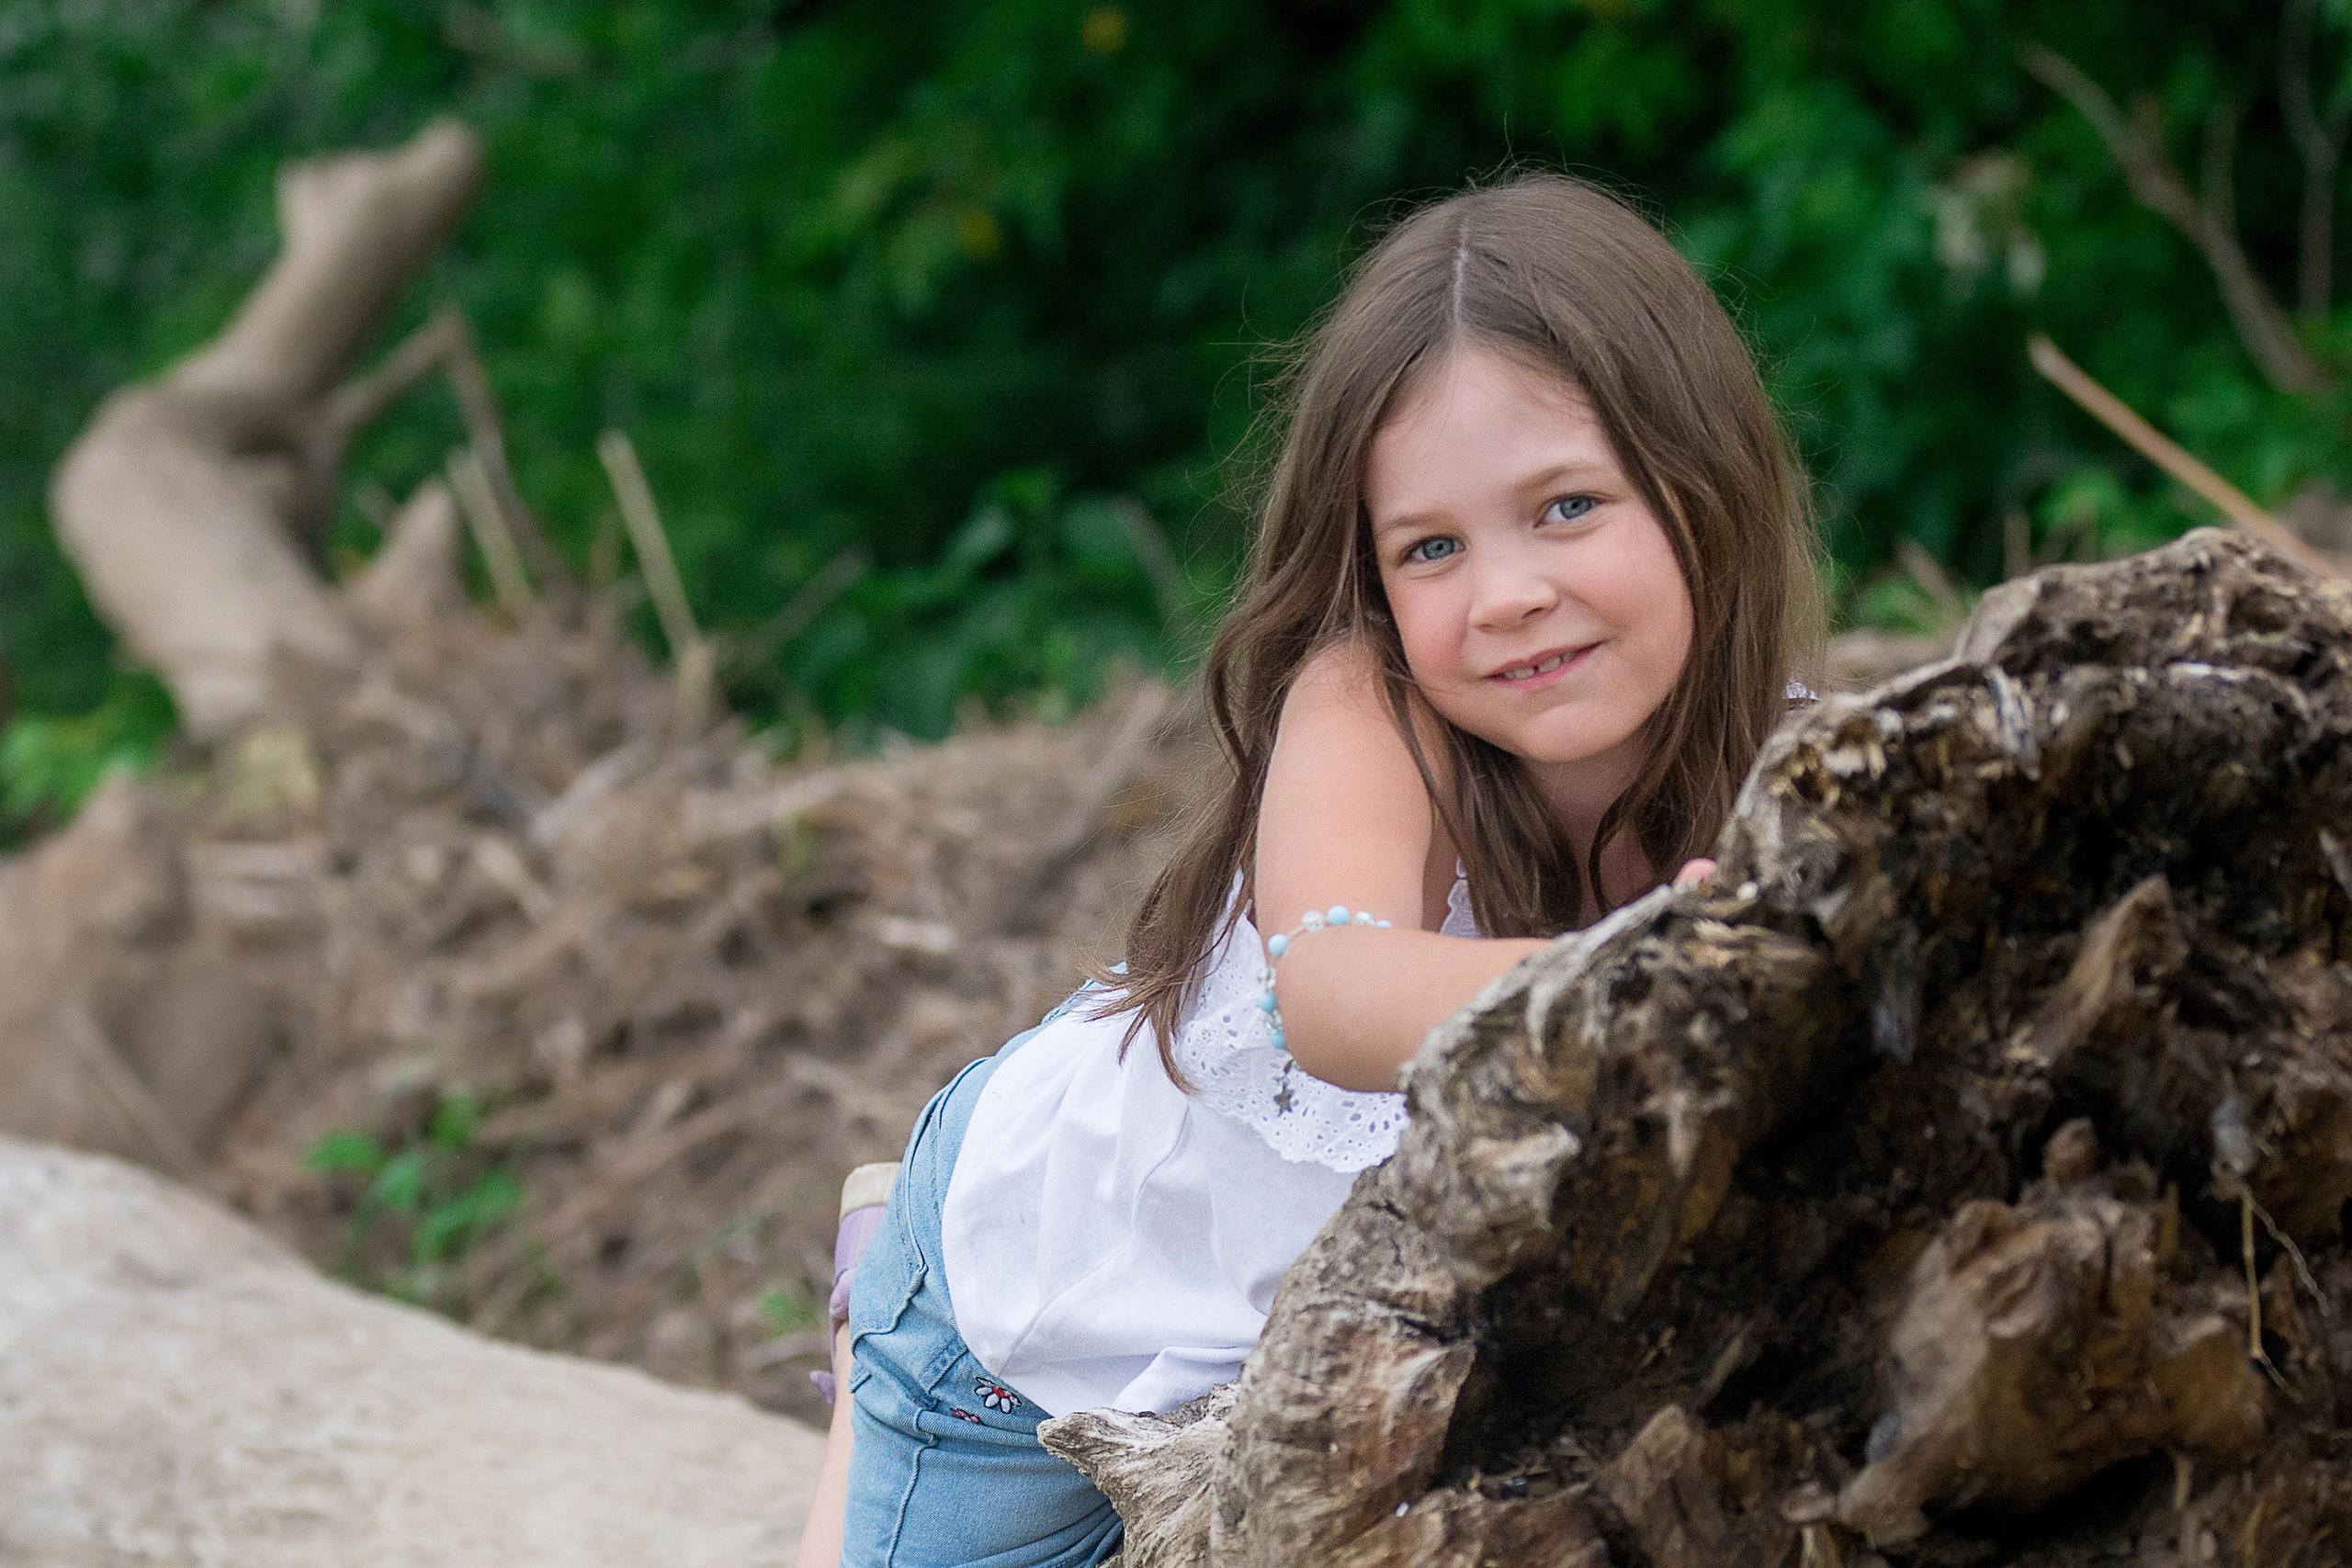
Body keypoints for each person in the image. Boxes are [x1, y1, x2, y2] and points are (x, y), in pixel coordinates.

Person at [793, 169, 1824, 1568]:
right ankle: (879, 1308)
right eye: (1434, 547)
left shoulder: (1795, 781)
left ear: (1701, 486)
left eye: (1568, 506)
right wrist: (1634, 974)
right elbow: (1334, 994)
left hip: (1321, 1375)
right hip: (1026, 1340)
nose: (1507, 592)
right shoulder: (1369, 705)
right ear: (1376, 575)